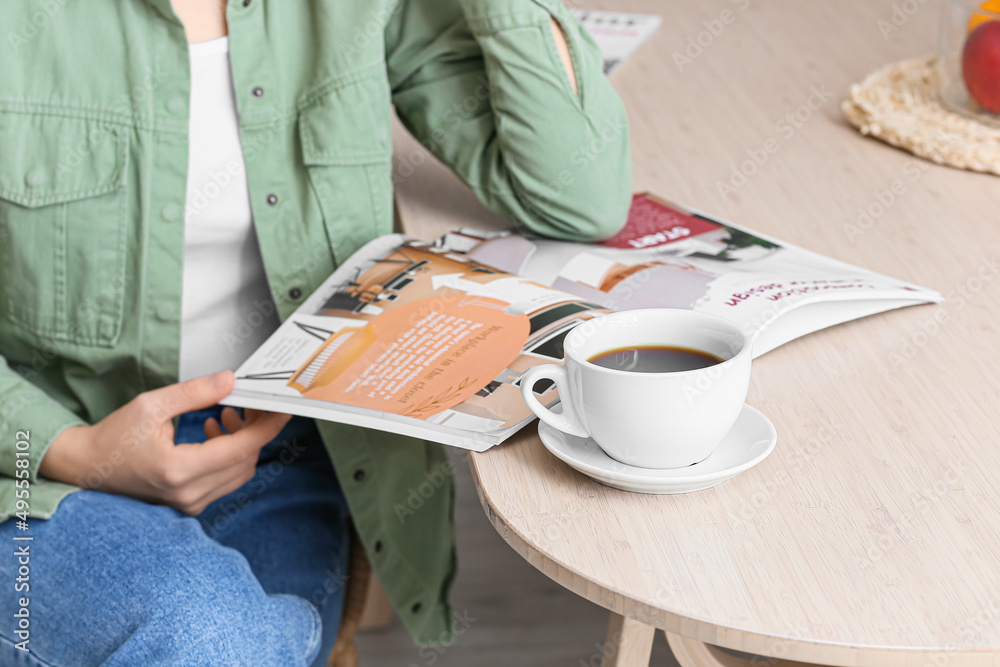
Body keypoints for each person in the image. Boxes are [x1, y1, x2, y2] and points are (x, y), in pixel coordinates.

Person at [0, 0, 632, 664]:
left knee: (227, 642)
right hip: (34, 467)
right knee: (215, 637)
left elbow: (578, 192)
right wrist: (75, 448)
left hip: (275, 454)